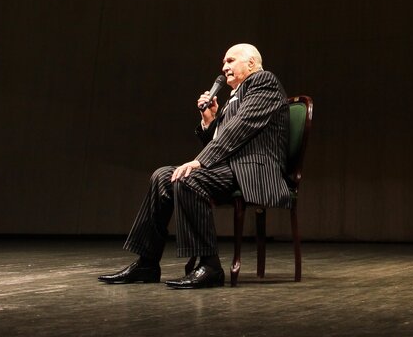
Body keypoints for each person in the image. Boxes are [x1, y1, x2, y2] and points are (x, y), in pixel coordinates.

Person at [98, 43, 291, 289]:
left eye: (230, 61)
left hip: (254, 171)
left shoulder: (264, 82)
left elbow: (239, 129)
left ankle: (210, 266)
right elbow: (223, 140)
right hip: (231, 168)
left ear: (251, 63)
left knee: (188, 179)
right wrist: (209, 121)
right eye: (224, 62)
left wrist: (199, 161)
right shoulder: (236, 95)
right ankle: (147, 262)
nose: (224, 67)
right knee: (162, 177)